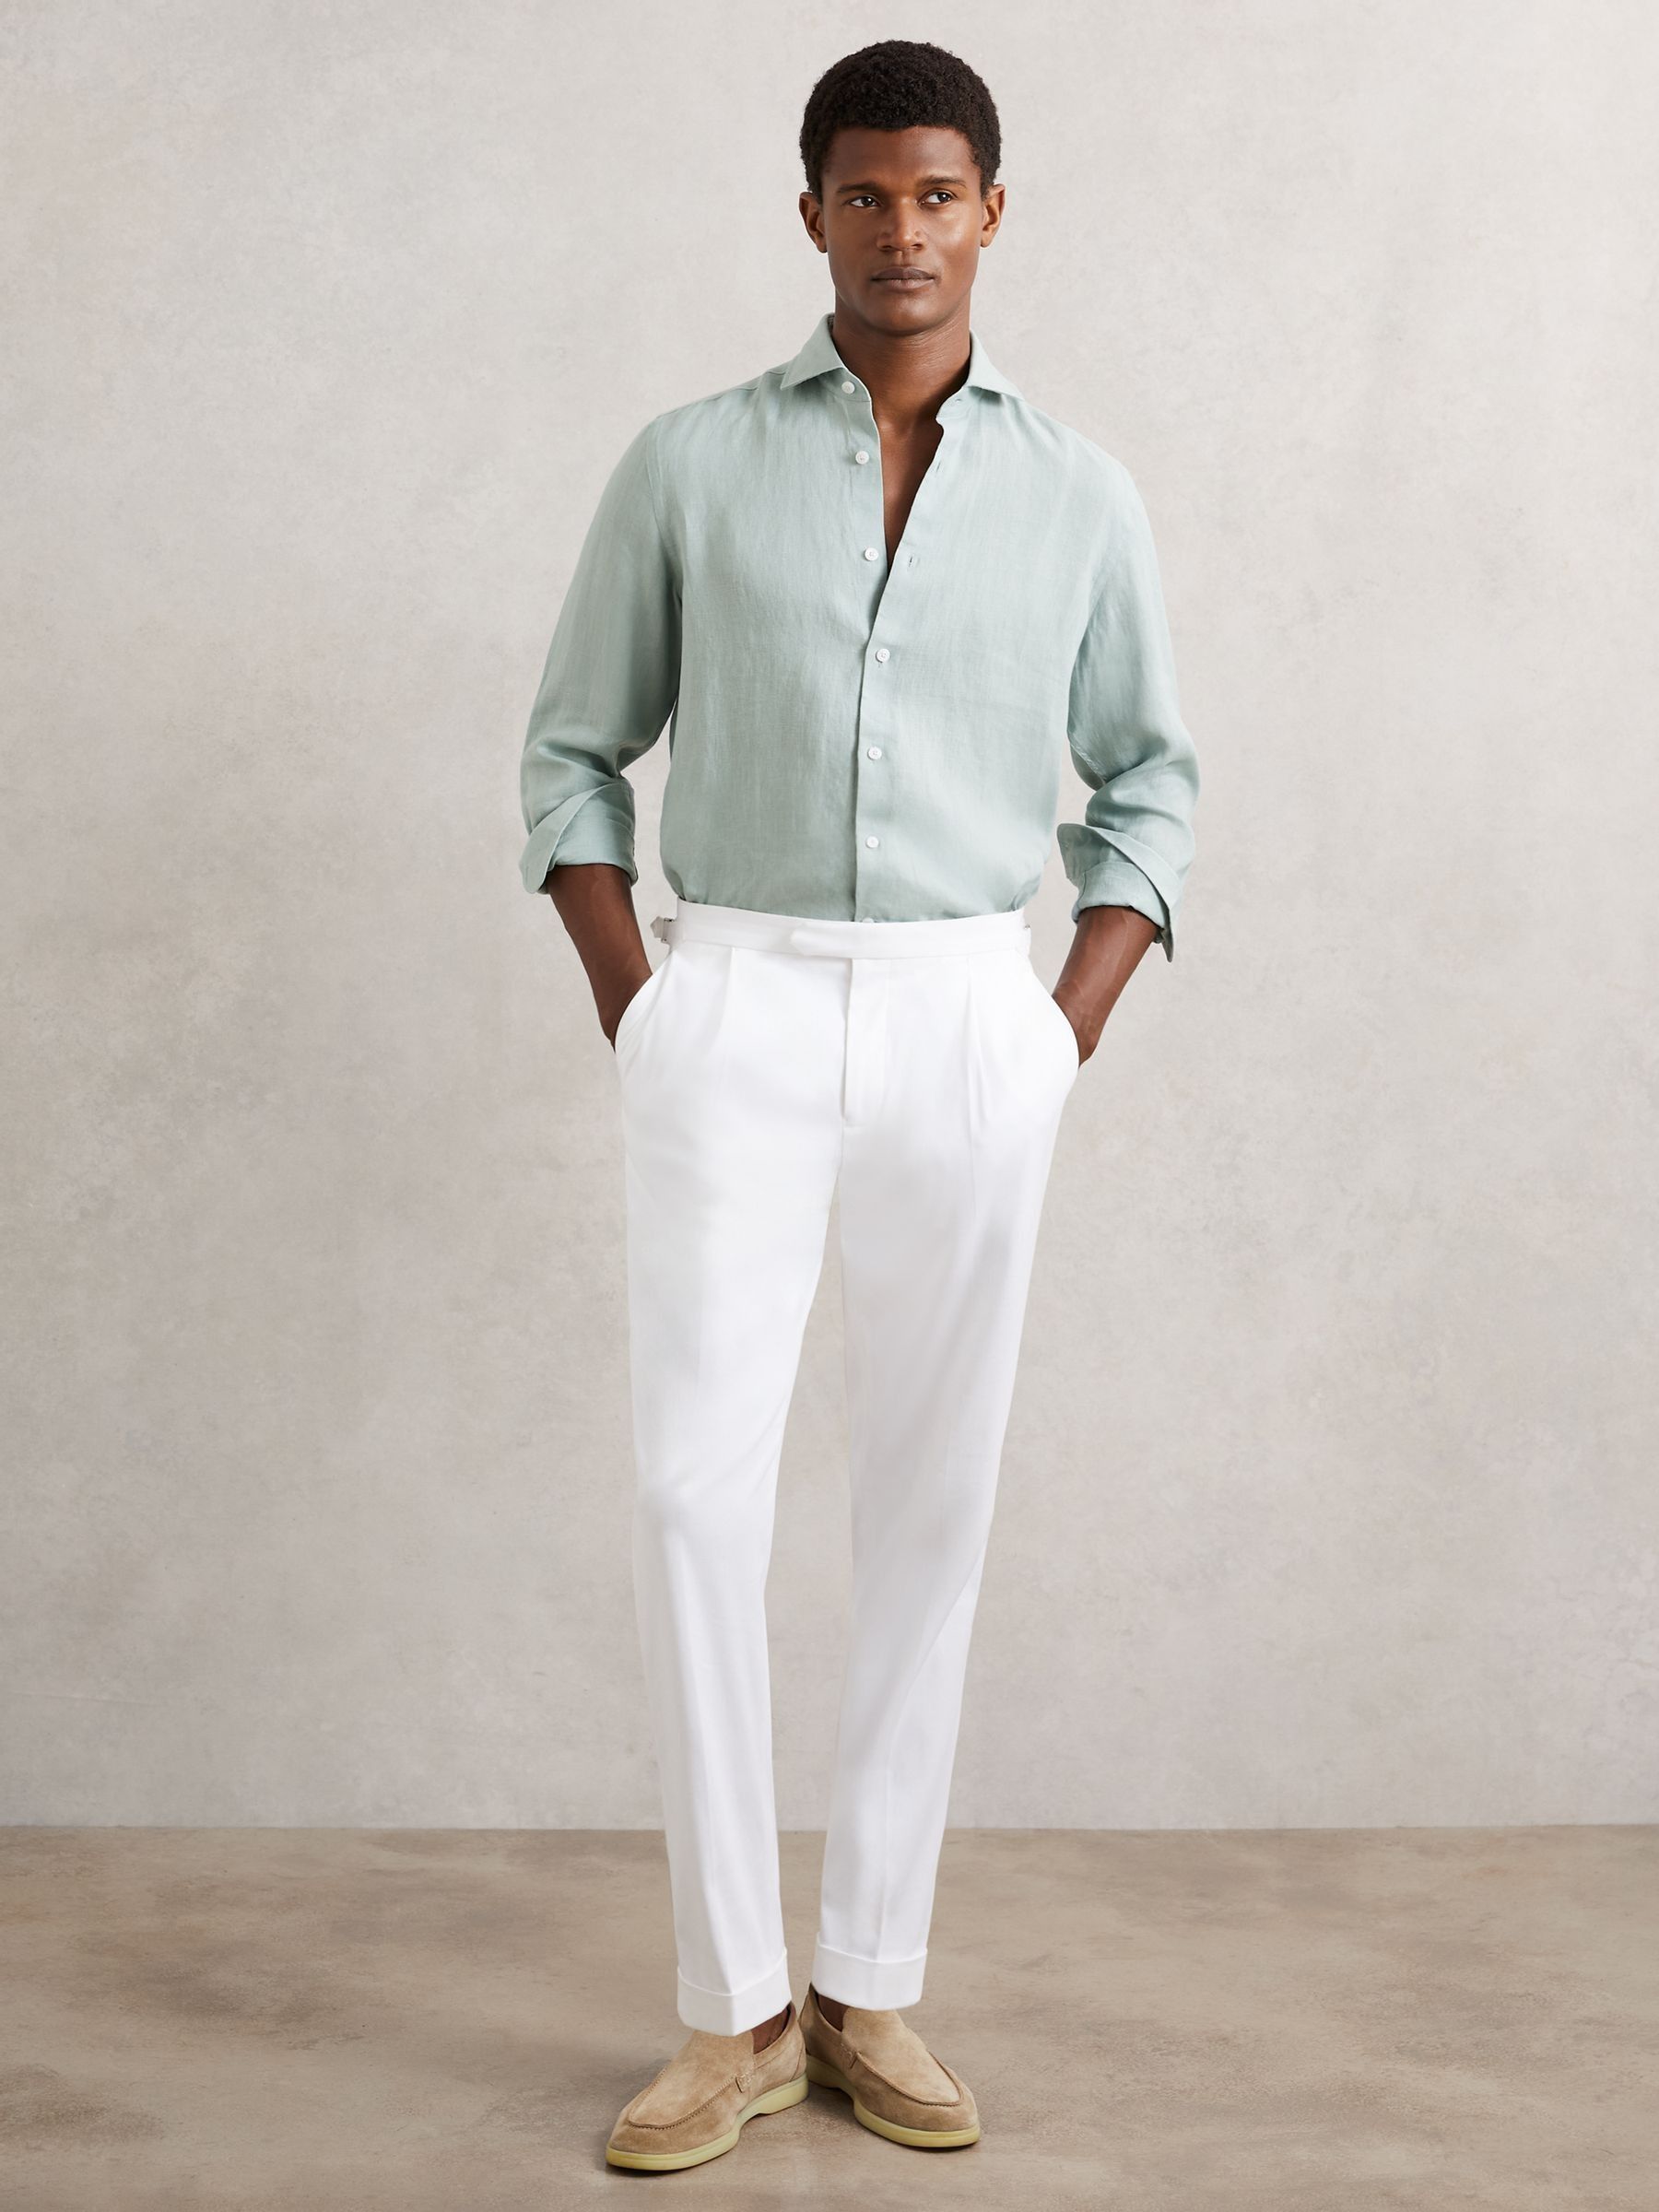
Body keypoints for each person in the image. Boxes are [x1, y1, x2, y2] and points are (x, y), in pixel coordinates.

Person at [517, 38, 1199, 2174]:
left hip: (964, 1016)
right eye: (866, 194)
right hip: (729, 999)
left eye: (938, 193)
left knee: (932, 1504)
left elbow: (1153, 782)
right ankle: (728, 2008)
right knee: (691, 1499)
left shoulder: (1081, 494)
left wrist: (1056, 1030)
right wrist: (642, 1005)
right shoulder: (689, 466)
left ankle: (868, 1982)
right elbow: (572, 752)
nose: (903, 231)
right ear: (809, 212)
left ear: (993, 212)